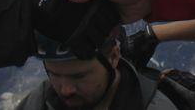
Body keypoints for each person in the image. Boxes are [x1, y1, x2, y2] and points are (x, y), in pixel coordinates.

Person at [16, 29, 179, 110]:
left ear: (114, 58)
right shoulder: (44, 97)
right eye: (54, 74)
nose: (65, 90)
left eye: (79, 76)